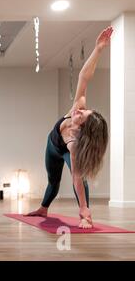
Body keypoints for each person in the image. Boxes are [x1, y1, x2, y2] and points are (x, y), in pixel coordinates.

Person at [26, 27, 112, 229]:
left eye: (83, 117)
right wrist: (98, 49)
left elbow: (76, 180)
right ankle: (43, 208)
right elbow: (84, 76)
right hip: (51, 144)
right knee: (52, 181)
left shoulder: (74, 146)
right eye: (85, 111)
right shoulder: (77, 106)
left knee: (80, 177)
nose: (80, 112)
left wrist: (83, 209)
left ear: (85, 131)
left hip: (63, 149)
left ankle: (85, 214)